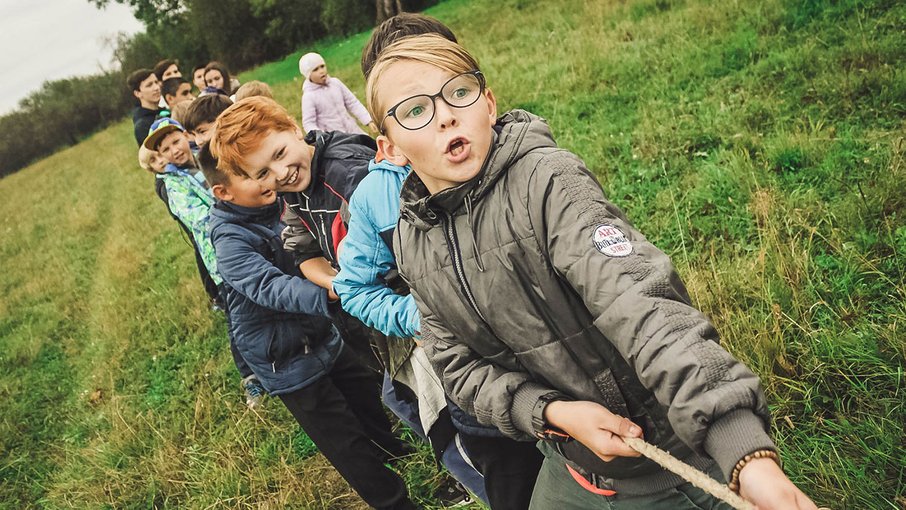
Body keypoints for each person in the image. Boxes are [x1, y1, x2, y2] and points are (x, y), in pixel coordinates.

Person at [367, 35, 821, 510]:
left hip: (667, 464)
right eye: (415, 110)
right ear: (389, 147)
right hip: (568, 465)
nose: (445, 115)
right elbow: (457, 367)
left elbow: (643, 307)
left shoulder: (547, 183)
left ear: (489, 103)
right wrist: (549, 412)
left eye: (459, 92)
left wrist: (743, 452)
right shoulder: (411, 240)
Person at [334, 13, 550, 509]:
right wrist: (422, 318)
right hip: (479, 397)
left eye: (448, 85)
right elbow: (354, 287)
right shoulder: (379, 200)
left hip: (560, 373)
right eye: (412, 105)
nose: (439, 114)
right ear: (386, 126)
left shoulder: (525, 167)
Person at [202, 138, 419, 510]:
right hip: (285, 358)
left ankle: (394, 450)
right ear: (224, 192)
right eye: (255, 176)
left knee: (365, 396)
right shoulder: (229, 240)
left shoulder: (279, 202)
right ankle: (393, 501)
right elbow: (268, 286)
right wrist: (334, 292)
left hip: (321, 334)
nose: (270, 181)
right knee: (342, 437)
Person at [143, 118, 265, 408]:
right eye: (165, 149)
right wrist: (237, 211)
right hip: (222, 259)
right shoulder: (173, 185)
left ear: (186, 137)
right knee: (239, 318)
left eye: (175, 141)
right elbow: (198, 219)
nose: (173, 150)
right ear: (160, 157)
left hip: (251, 240)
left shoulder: (208, 161)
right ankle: (250, 378)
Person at [299, 52, 377, 135]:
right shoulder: (309, 96)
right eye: (315, 70)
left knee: (369, 146)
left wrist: (368, 120)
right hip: (335, 139)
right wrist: (322, 136)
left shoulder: (335, 83)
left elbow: (352, 103)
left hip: (352, 130)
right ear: (308, 75)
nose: (321, 71)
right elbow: (308, 123)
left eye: (322, 66)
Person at [127, 69, 164, 146]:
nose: (156, 88)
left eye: (156, 82)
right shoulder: (142, 126)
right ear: (138, 93)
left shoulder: (166, 111)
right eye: (149, 85)